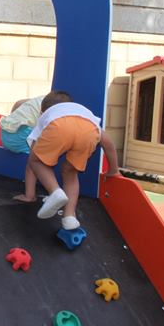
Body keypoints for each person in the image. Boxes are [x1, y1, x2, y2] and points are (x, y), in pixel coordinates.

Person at [27, 91, 120, 229]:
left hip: (58, 127)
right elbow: (108, 144)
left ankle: (55, 192)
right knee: (70, 173)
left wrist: (30, 195)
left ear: (42, 112)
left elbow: (32, 161)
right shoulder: (84, 114)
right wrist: (114, 170)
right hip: (89, 131)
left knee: (36, 161)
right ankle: (69, 217)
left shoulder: (47, 116)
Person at [0, 93, 49, 203]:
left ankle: (30, 195)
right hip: (21, 137)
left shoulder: (41, 98)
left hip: (5, 133)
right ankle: (31, 194)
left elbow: (19, 103)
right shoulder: (57, 107)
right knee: (36, 159)